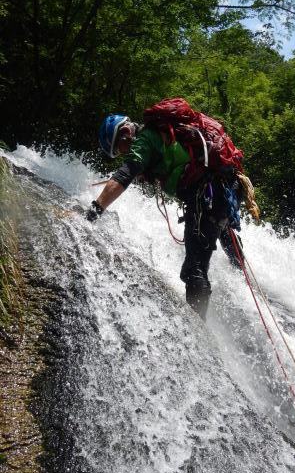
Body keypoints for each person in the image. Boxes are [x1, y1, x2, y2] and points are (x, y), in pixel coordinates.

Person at [86, 108, 243, 320]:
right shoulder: (160, 136)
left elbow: (123, 175)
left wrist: (94, 211)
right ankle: (242, 271)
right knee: (223, 231)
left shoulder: (144, 141)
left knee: (193, 269)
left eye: (120, 147)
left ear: (125, 131)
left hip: (207, 196)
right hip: (226, 187)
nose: (123, 153)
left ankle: (201, 336)